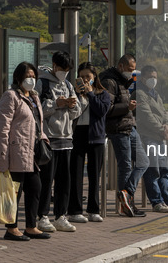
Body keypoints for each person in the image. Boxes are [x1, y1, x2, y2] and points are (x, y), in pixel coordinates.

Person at [0, 62, 51, 241]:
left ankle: (31, 226)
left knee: (35, 187)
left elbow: (36, 122)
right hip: (16, 151)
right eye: (27, 76)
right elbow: (3, 128)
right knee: (14, 191)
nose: (31, 79)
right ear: (18, 78)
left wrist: (43, 137)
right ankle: (11, 228)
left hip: (31, 151)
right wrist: (3, 156)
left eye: (33, 76)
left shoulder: (34, 96)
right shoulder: (11, 96)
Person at [35, 51, 82, 232]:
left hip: (66, 138)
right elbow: (37, 108)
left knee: (64, 180)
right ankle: (42, 216)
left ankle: (61, 215)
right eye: (62, 69)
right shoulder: (42, 83)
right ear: (54, 66)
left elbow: (76, 112)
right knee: (46, 179)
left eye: (67, 69)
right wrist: (56, 104)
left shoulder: (69, 85)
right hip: (49, 139)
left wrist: (71, 105)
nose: (64, 72)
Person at [134, 65, 168, 213]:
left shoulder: (155, 94)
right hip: (148, 137)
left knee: (164, 170)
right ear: (143, 78)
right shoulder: (139, 94)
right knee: (153, 171)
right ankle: (157, 201)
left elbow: (164, 113)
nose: (153, 80)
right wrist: (162, 129)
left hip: (159, 137)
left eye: (155, 77)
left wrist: (167, 125)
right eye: (150, 77)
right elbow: (146, 116)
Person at [99, 54, 149, 217]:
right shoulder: (110, 82)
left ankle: (126, 193)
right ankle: (126, 204)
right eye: (129, 69)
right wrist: (127, 107)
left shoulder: (123, 81)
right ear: (120, 66)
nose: (132, 73)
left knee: (143, 161)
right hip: (118, 129)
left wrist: (128, 108)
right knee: (125, 166)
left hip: (130, 126)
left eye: (133, 70)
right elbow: (107, 109)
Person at [67, 62, 111, 223]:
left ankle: (93, 210)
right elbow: (70, 112)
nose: (85, 80)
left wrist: (91, 94)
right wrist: (78, 95)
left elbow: (101, 111)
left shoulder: (103, 94)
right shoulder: (74, 92)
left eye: (88, 77)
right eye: (82, 76)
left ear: (94, 77)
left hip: (96, 136)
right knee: (76, 174)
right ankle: (75, 210)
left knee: (94, 175)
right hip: (77, 134)